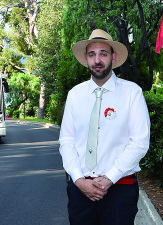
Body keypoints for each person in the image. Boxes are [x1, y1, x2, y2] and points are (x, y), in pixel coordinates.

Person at [59, 29, 151, 225]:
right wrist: (78, 179)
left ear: (113, 57)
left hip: (120, 188)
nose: (97, 60)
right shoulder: (75, 95)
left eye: (103, 53)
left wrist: (109, 178)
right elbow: (66, 140)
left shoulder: (132, 93)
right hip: (80, 189)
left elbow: (140, 142)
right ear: (86, 58)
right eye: (92, 55)